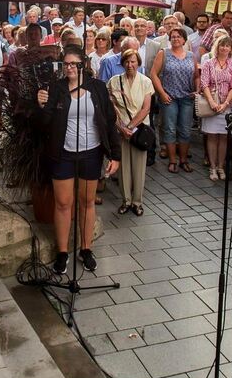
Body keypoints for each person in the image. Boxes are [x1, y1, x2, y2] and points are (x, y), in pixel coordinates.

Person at [36, 44, 120, 275]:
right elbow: (44, 124)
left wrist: (115, 154)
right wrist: (42, 105)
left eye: (74, 64)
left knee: (87, 202)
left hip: (91, 153)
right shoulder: (57, 88)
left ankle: (86, 248)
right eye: (66, 64)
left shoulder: (98, 88)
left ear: (84, 64)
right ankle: (62, 252)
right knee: (63, 203)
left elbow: (109, 122)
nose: (69, 68)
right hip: (63, 153)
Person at [108, 49, 153, 216]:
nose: (130, 65)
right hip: (120, 131)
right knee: (124, 167)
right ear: (122, 63)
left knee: (139, 167)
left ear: (138, 63)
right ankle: (125, 200)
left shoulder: (146, 82)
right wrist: (121, 128)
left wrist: (131, 128)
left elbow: (146, 108)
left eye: (133, 61)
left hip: (139, 131)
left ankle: (137, 202)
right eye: (127, 61)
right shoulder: (113, 82)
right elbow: (111, 109)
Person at [151, 27, 198, 173]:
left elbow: (196, 75)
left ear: (184, 40)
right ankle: (172, 161)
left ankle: (183, 160)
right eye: (173, 36)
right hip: (169, 98)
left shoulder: (191, 56)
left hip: (186, 98)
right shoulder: (163, 53)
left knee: (185, 130)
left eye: (179, 36)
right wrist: (162, 93)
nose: (176, 39)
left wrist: (197, 89)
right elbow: (153, 74)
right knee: (170, 129)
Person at [200, 34, 232, 182]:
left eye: (228, 45)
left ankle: (221, 166)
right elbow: (204, 84)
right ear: (217, 46)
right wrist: (212, 102)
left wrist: (225, 104)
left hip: (226, 105)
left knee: (224, 137)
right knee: (212, 136)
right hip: (211, 105)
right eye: (222, 45)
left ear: (230, 48)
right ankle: (213, 167)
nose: (225, 48)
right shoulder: (208, 63)